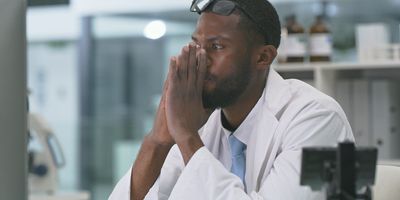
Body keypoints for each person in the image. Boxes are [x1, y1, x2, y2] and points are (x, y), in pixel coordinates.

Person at [109, 0, 354, 199]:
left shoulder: (317, 118)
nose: (200, 59)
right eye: (196, 44)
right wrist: (158, 141)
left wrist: (185, 135)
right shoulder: (204, 124)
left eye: (216, 47)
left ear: (263, 57)